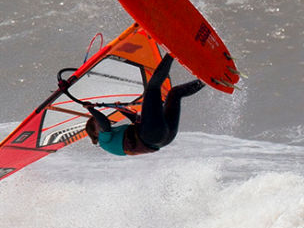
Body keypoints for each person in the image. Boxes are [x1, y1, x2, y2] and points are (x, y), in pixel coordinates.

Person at [62, 53, 206, 156]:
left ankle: (209, 79)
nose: (100, 122)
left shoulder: (116, 138)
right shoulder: (103, 140)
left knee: (175, 93)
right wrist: (91, 110)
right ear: (94, 132)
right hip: (152, 136)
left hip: (163, 139)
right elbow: (104, 123)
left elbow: (136, 124)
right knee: (152, 87)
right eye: (96, 124)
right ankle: (173, 52)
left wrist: (124, 111)